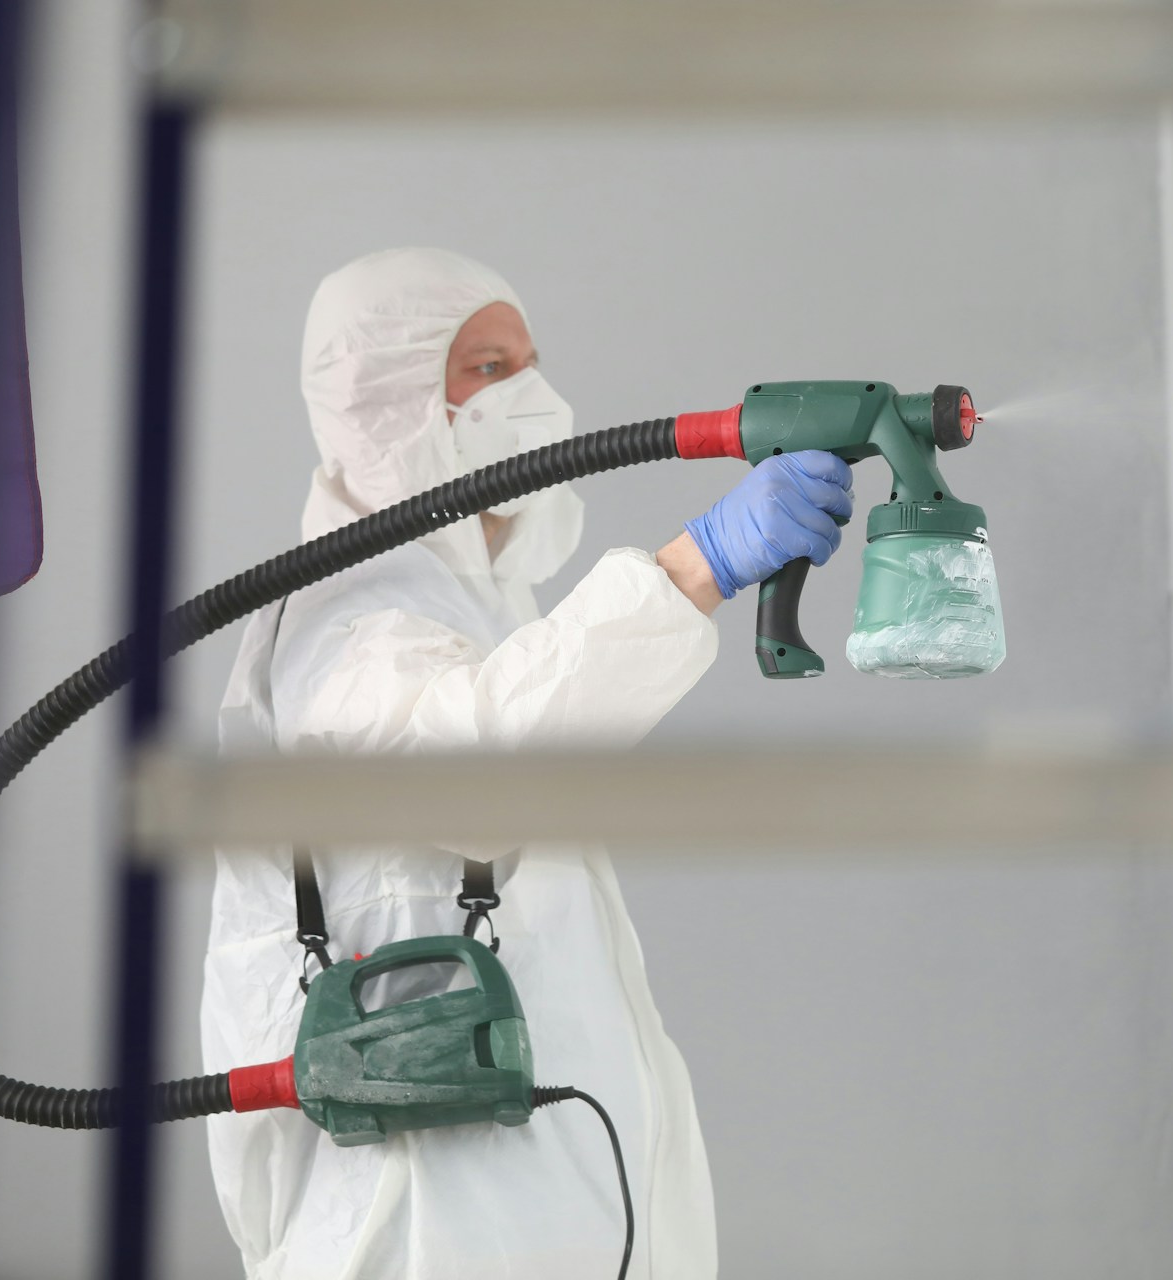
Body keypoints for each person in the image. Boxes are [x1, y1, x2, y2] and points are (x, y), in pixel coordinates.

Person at [201, 247, 854, 1279]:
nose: (535, 398)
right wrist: (700, 564)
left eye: (531, 362)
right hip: (420, 1224)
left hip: (518, 1209)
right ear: (388, 400)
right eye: (489, 369)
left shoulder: (463, 604)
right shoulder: (352, 611)